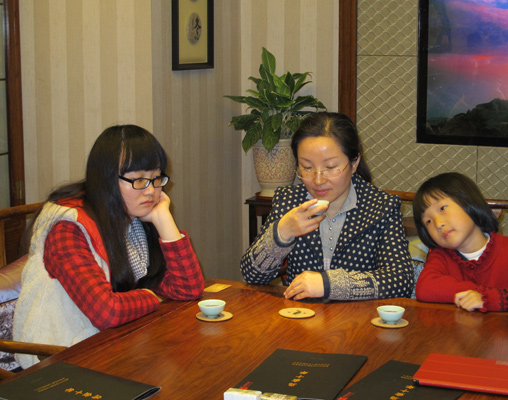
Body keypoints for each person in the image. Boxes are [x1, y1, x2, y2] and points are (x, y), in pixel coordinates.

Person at [13, 125, 204, 368]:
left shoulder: (134, 222)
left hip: (111, 346)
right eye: (139, 180)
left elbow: (189, 288)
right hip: (57, 359)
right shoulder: (68, 227)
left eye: (156, 179)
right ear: (106, 180)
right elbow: (107, 312)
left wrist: (163, 219)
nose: (151, 191)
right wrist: (151, 296)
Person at [240, 112, 413, 301]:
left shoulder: (381, 207)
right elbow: (252, 275)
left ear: (354, 162)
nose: (318, 180)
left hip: (358, 317)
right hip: (301, 314)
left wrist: (328, 284)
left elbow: (401, 281)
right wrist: (281, 233)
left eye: (330, 167)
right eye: (307, 167)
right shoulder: (289, 202)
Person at [413, 172, 508, 313]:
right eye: (428, 221)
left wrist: (489, 298)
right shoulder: (441, 256)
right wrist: (475, 293)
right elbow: (425, 288)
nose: (438, 224)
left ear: (468, 201)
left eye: (442, 208)